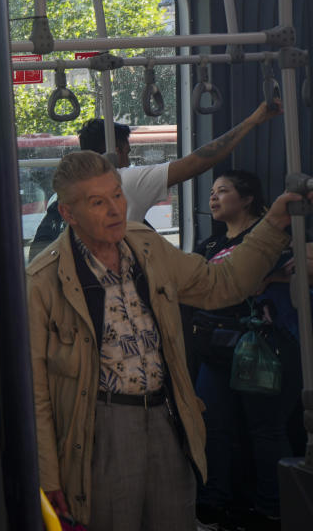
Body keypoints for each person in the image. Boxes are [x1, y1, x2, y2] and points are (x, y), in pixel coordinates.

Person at [26, 150, 303, 530]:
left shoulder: (146, 247)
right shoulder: (42, 281)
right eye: (97, 202)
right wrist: (49, 474)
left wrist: (272, 225)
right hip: (101, 427)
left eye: (117, 195)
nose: (115, 209)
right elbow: (35, 390)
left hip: (168, 415)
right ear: (68, 215)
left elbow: (220, 284)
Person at [28, 100, 282, 261]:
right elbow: (196, 162)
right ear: (116, 151)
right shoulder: (123, 181)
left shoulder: (61, 195)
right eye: (127, 152)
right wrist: (252, 121)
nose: (128, 160)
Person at [190, 170, 300, 529]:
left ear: (248, 198)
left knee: (265, 429)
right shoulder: (209, 245)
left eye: (223, 191)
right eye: (211, 192)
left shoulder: (273, 239)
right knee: (213, 428)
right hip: (215, 347)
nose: (213, 198)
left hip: (260, 346)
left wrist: (274, 276)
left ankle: (271, 506)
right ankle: (213, 501)